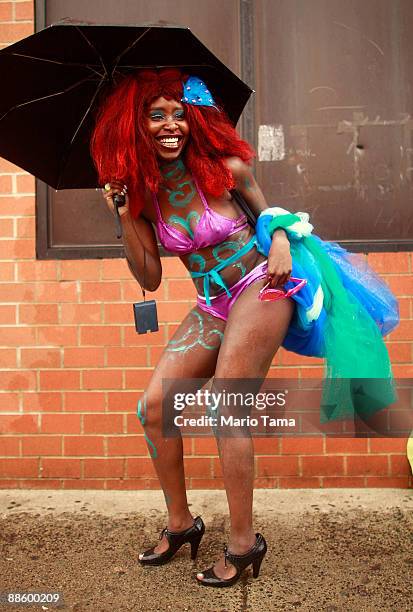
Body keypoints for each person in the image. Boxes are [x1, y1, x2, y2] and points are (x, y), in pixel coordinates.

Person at [91, 67, 399, 587]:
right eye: (156, 115)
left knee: (224, 403)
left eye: (179, 115)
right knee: (152, 407)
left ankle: (243, 543)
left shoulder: (227, 168)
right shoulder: (143, 196)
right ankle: (181, 525)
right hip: (211, 304)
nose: (170, 125)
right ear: (134, 127)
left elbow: (274, 218)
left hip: (262, 284)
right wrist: (123, 216)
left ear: (195, 121)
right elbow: (149, 274)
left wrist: (280, 238)